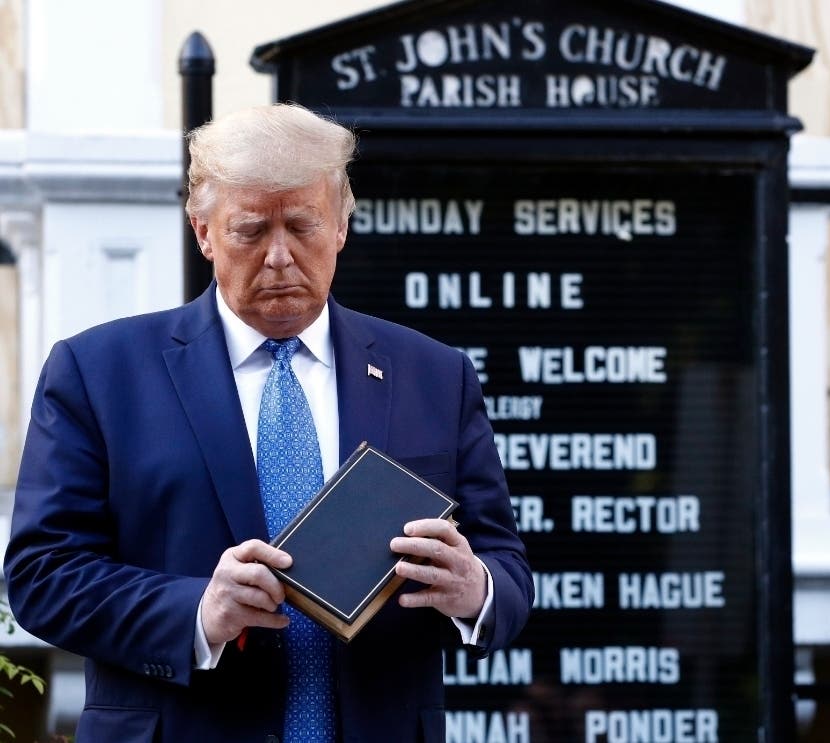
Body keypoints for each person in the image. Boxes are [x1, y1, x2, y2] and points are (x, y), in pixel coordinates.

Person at [4, 103, 533, 743]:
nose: (280, 257)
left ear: (341, 225)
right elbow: (43, 575)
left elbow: (507, 568)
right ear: (203, 232)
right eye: (250, 231)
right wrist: (197, 610)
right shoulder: (98, 372)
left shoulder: (433, 375)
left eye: (304, 226)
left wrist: (476, 591)